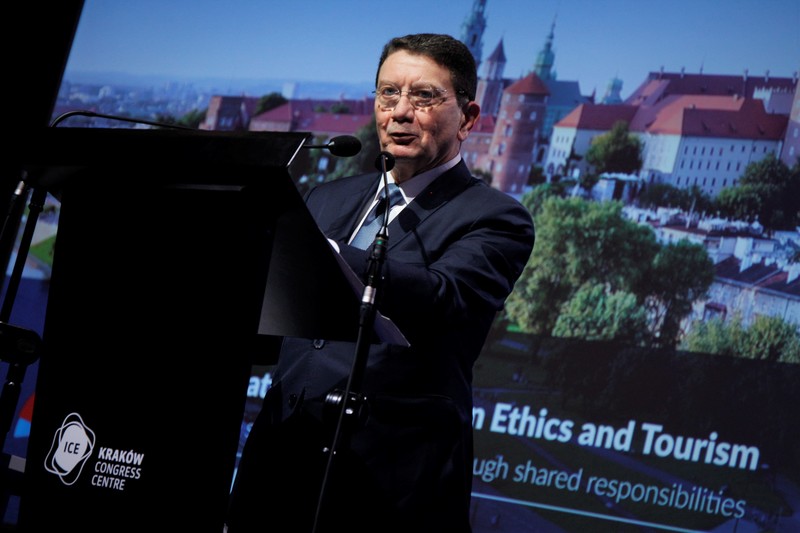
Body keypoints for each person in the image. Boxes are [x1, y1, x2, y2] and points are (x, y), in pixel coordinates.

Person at [226, 33, 535, 533]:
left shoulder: (497, 218)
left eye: (424, 96)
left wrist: (323, 254)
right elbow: (277, 329)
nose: (400, 111)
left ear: (468, 118)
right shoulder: (326, 199)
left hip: (390, 487)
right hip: (280, 469)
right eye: (388, 93)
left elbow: (443, 296)